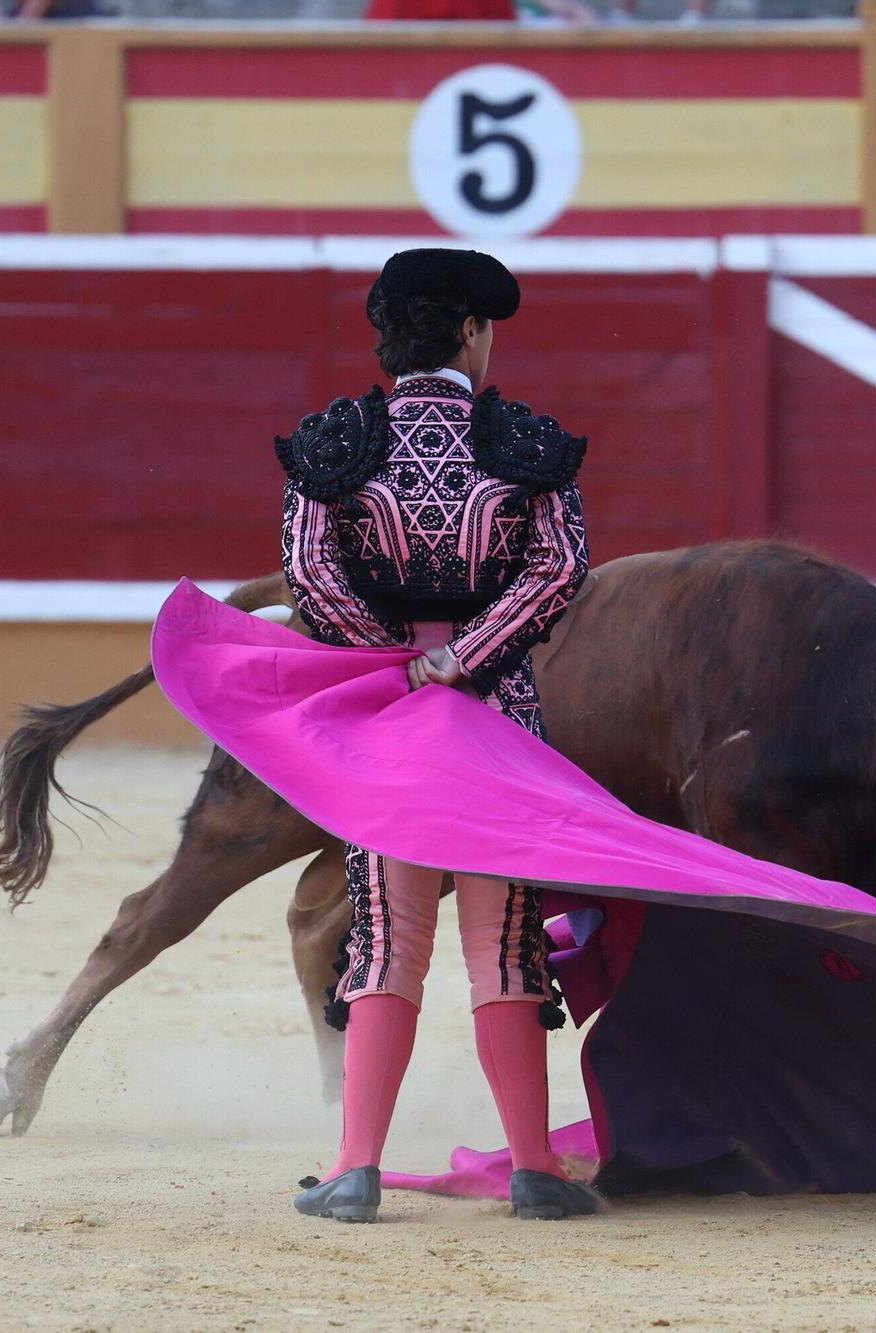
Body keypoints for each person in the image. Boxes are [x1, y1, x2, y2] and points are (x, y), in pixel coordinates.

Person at [278, 248, 600, 1224]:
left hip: (387, 725)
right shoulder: (523, 444)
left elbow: (308, 570)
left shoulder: (338, 445)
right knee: (505, 940)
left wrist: (393, 663)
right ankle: (535, 1167)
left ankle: (355, 1169)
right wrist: (459, 659)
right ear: (468, 331)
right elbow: (559, 569)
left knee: (388, 934)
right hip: (495, 717)